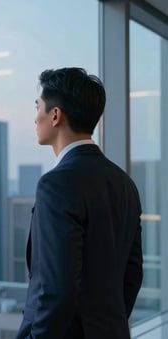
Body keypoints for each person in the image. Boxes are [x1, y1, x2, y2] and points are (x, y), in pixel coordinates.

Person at [15, 67, 143, 339]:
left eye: (38, 107)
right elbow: (132, 275)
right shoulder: (124, 184)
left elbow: (56, 290)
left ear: (55, 115)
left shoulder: (56, 184)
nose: (35, 117)